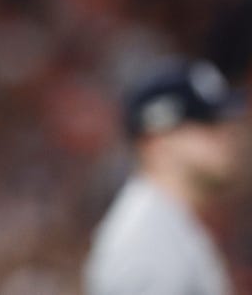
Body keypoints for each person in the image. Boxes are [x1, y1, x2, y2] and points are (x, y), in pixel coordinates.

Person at [83, 56, 247, 295]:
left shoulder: (167, 223)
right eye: (206, 123)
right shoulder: (145, 241)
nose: (226, 135)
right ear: (158, 142)